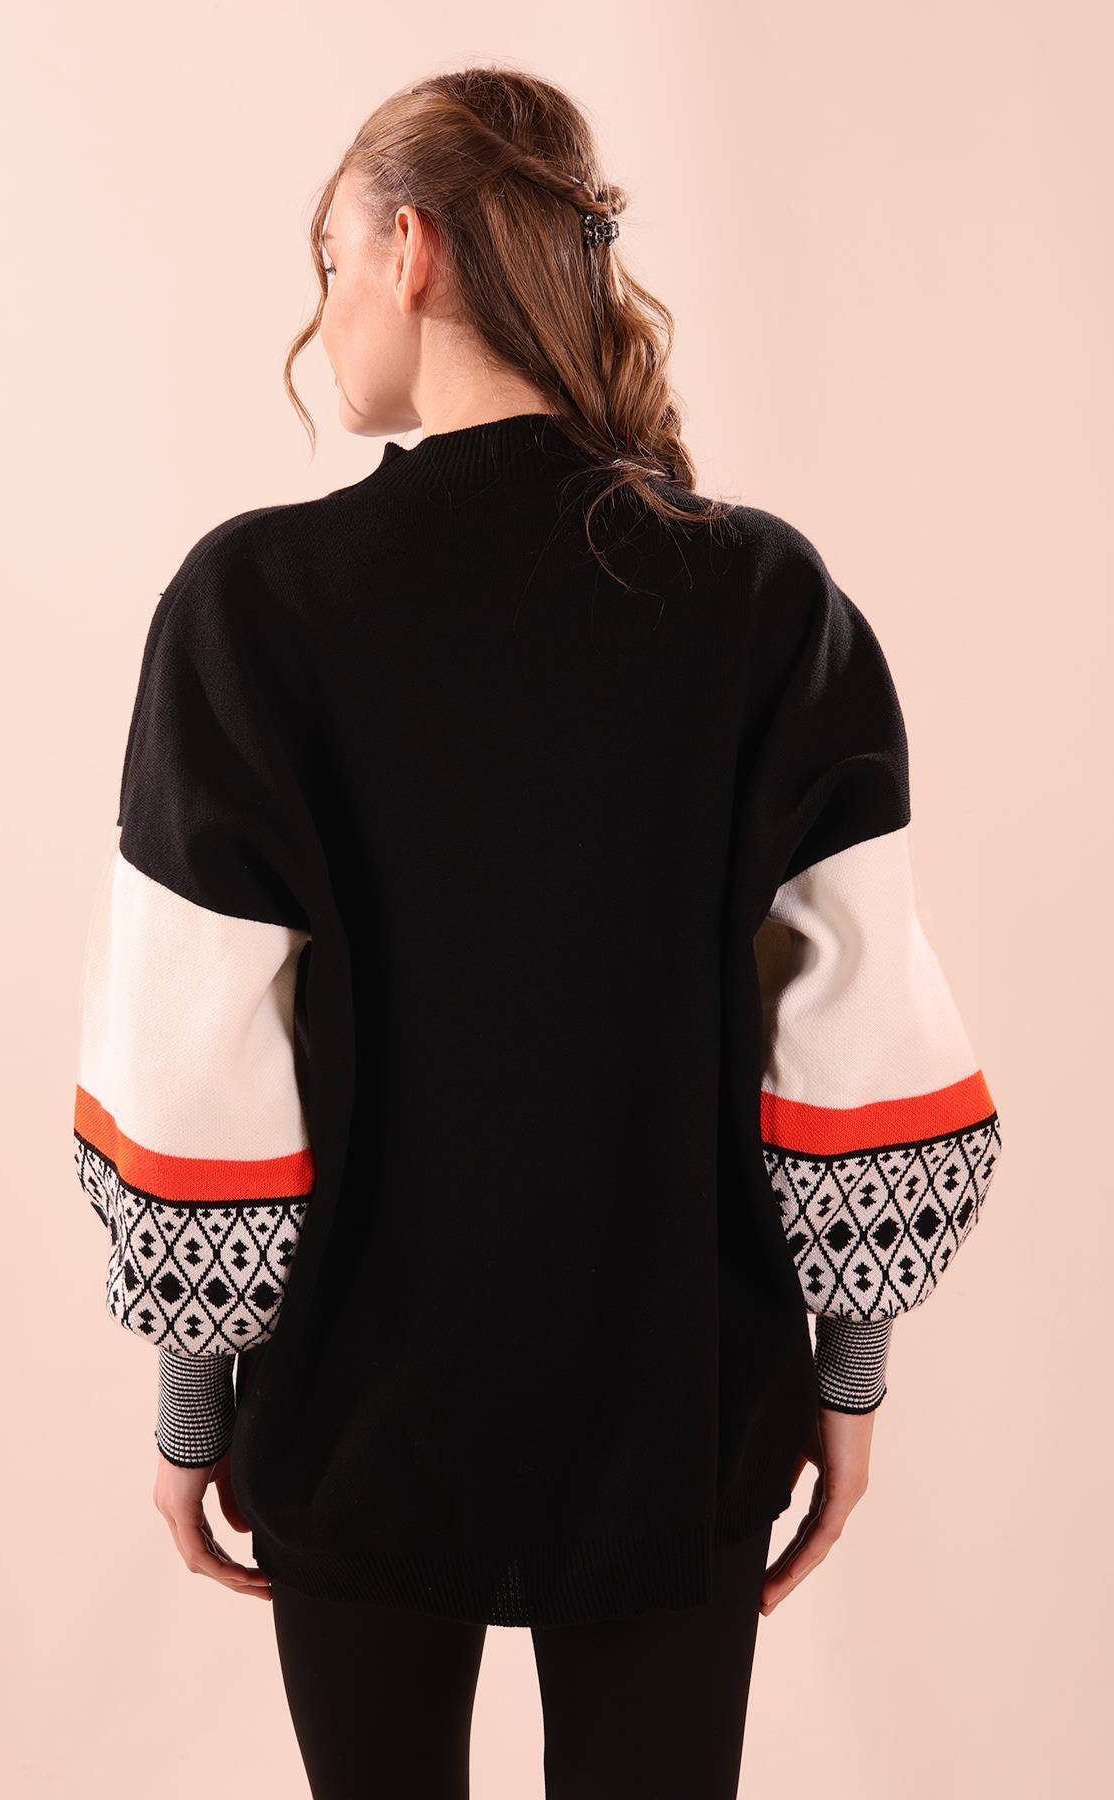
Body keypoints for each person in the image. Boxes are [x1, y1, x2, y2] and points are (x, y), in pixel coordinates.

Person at [71, 64, 1004, 1799]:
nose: (321, 314)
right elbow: (858, 1019)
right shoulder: (762, 595)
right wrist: (849, 1372)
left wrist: (194, 1394)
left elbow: (194, 1047)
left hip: (353, 1404)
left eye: (328, 258)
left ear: (408, 249)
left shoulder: (251, 606)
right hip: (678, 1399)